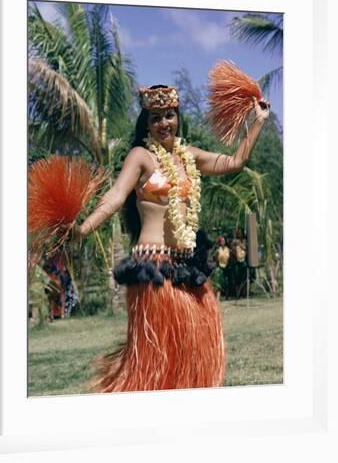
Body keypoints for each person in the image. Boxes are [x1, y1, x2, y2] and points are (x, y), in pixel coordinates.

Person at [72, 84, 269, 392]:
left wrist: (257, 122)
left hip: (188, 267)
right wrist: (84, 228)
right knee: (158, 355)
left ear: (178, 118)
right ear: (146, 124)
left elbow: (234, 162)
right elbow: (115, 196)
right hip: (154, 268)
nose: (164, 123)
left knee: (195, 348)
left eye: (170, 116)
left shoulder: (189, 156)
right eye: (156, 118)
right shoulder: (141, 156)